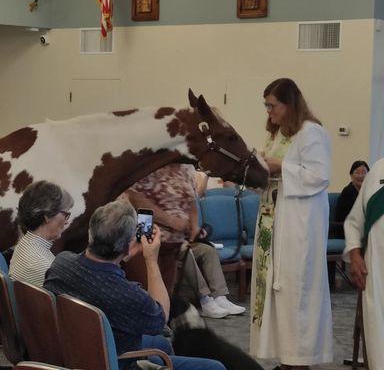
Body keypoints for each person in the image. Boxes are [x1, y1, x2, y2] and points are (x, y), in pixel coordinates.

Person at [44, 200, 226, 370]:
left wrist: (125, 253)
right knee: (216, 367)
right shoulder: (126, 294)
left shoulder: (61, 262)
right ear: (130, 242)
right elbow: (160, 318)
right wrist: (151, 260)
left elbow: (98, 265)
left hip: (73, 350)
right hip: (114, 359)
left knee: (161, 344)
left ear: (92, 233)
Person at [249, 78, 333, 370]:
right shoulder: (278, 135)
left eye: (272, 105)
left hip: (300, 227)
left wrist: (278, 166)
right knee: (275, 290)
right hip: (275, 220)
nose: (268, 111)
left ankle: (299, 360)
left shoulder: (312, 132)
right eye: (266, 105)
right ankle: (286, 358)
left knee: (297, 291)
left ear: (289, 104)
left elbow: (319, 175)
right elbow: (273, 174)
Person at [125, 164, 245, 319]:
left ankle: (164, 324)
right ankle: (151, 330)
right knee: (148, 291)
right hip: (147, 239)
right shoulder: (149, 164)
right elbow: (137, 200)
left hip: (175, 243)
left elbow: (192, 199)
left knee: (165, 293)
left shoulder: (187, 167)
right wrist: (172, 221)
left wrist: (194, 225)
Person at [343, 158, 384, 370]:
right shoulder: (378, 170)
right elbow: (353, 222)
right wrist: (355, 255)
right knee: (377, 336)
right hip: (374, 272)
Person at [9, 180, 74, 287]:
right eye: (66, 214)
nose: (67, 221)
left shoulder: (24, 243)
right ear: (47, 216)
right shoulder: (45, 267)